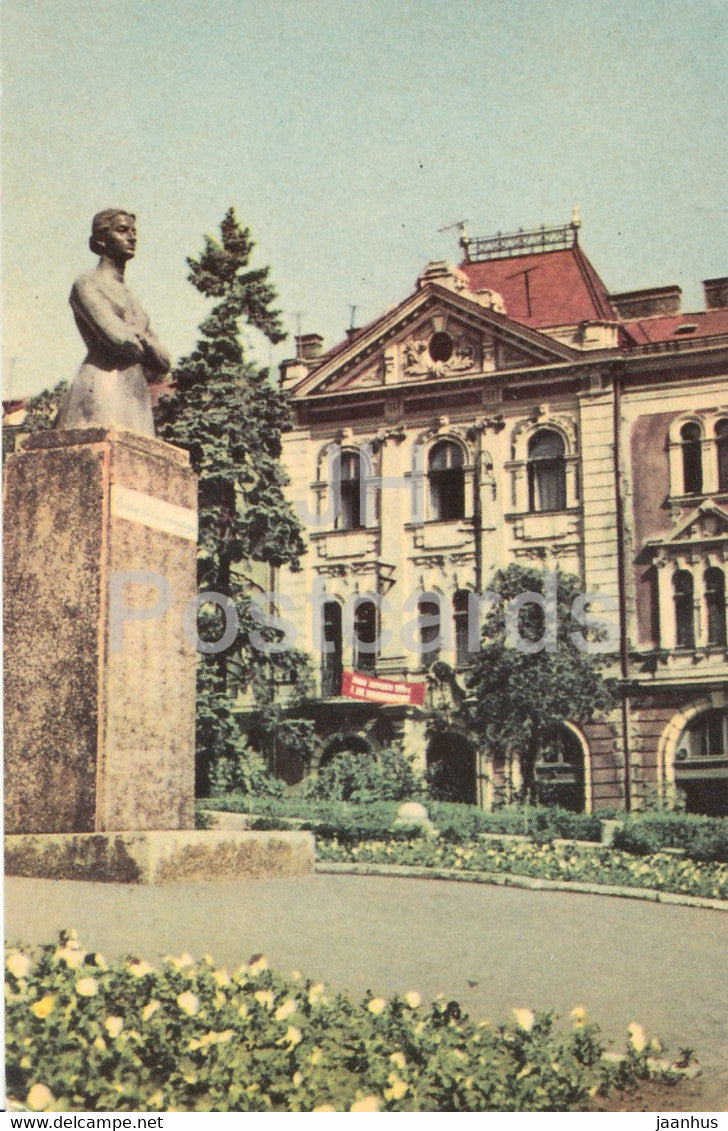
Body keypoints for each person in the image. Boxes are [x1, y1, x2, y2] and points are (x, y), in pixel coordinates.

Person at [56, 209, 171, 436]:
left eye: (133, 231)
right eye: (122, 230)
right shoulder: (87, 283)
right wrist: (144, 340)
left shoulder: (132, 299)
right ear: (100, 239)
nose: (132, 237)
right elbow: (121, 342)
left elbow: (164, 363)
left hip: (135, 397)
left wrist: (140, 338)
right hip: (102, 388)